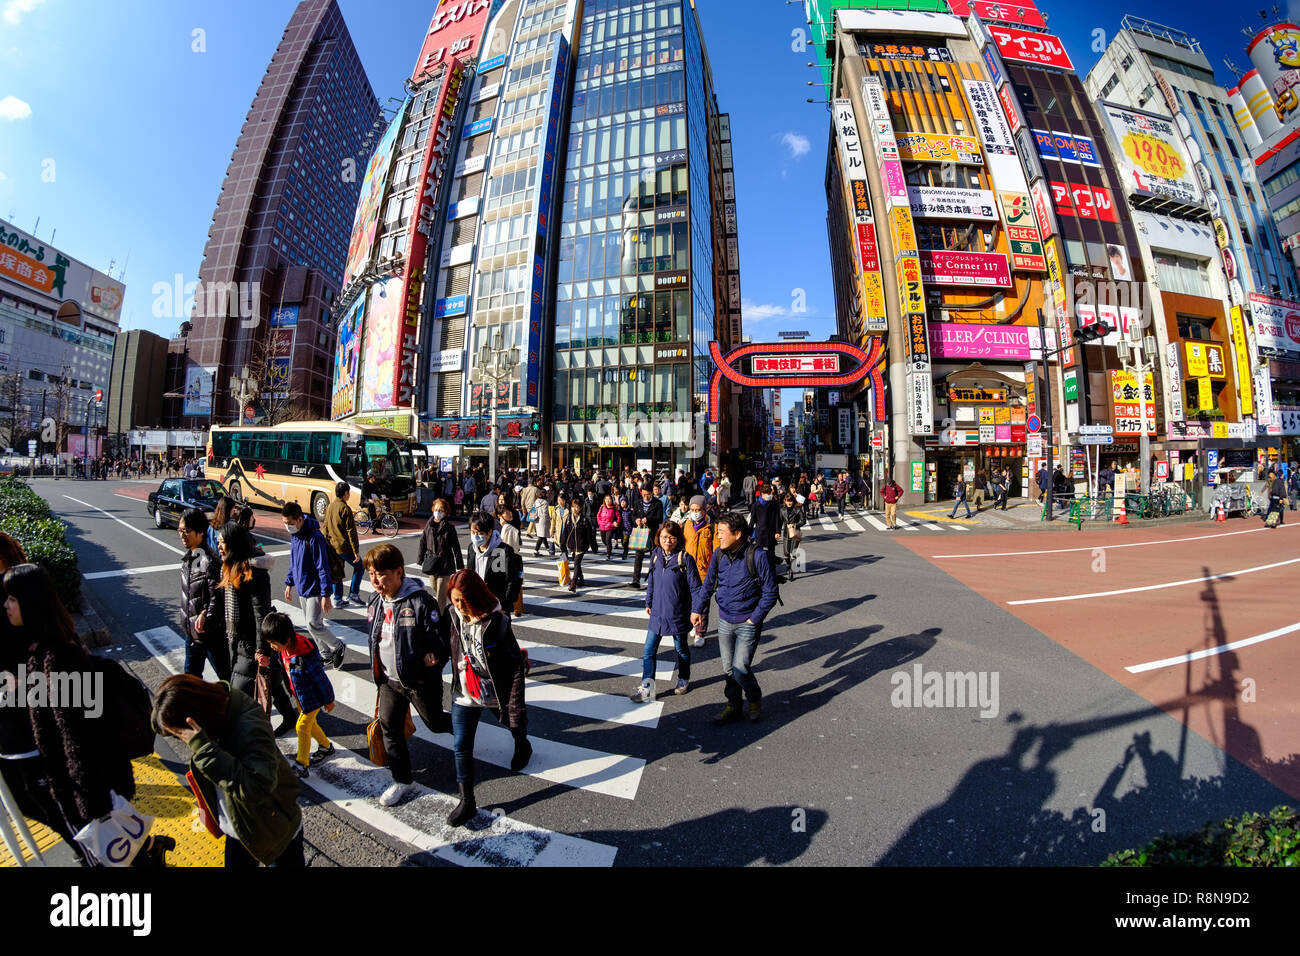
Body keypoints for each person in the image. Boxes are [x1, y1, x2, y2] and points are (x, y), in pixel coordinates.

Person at [152, 674, 304, 866]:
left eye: (181, 734)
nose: (183, 739)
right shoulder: (214, 708)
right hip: (238, 824)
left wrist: (204, 749)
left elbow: (257, 787)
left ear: (196, 717)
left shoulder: (249, 725)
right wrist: (161, 712)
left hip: (274, 828)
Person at [362, 543, 450, 807]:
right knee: (390, 727)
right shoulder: (375, 601)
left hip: (419, 681)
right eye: (371, 574)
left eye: (381, 574)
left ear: (399, 572)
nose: (375, 580)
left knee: (435, 722)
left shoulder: (421, 602)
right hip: (389, 681)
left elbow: (441, 641)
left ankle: (463, 726)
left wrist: (432, 655)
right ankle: (402, 779)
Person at [442, 568, 531, 827]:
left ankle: (522, 742)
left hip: (493, 689)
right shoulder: (453, 615)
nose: (459, 606)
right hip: (465, 691)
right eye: (455, 600)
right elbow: (444, 643)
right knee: (461, 745)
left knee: (510, 722)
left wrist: (515, 706)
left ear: (477, 597)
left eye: (463, 600)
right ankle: (467, 801)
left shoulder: (498, 622)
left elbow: (515, 665)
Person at [690, 513, 780, 724]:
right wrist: (697, 609)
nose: (718, 537)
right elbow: (708, 585)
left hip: (747, 621)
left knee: (740, 669)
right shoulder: (719, 555)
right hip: (724, 620)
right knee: (729, 669)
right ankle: (734, 706)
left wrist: (754, 619)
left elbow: (770, 592)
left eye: (721, 533)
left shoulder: (757, 555)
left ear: (737, 534)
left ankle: (755, 698)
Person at [631, 521, 702, 702]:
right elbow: (652, 581)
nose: (667, 541)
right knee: (648, 651)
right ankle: (647, 689)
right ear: (658, 538)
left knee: (681, 649)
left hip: (677, 613)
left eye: (671, 537)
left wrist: (696, 611)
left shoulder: (685, 559)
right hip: (657, 613)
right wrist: (649, 601)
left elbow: (696, 589)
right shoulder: (655, 555)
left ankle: (683, 678)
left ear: (678, 539)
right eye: (664, 537)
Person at [260, 612, 335, 778]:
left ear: (286, 639)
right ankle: (326, 747)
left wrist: (329, 700)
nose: (272, 646)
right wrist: (268, 661)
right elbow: (279, 661)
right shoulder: (286, 649)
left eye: (273, 643)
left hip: (312, 699)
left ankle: (302, 764)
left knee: (301, 727)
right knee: (310, 725)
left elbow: (321, 680)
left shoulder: (304, 657)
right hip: (301, 697)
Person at [281, 502, 345, 669]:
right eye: (285, 523)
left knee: (312, 624)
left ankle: (338, 646)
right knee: (311, 625)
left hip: (315, 588)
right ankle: (325, 655)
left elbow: (322, 567)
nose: (288, 527)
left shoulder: (314, 537)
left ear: (300, 519)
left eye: (290, 523)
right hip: (303, 586)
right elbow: (293, 561)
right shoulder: (296, 535)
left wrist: (325, 595)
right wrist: (289, 583)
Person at [213, 523, 274, 697]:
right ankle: (289, 715)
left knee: (242, 692)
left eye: (222, 542)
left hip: (250, 643)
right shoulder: (229, 567)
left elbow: (261, 612)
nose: (219, 546)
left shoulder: (252, 571)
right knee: (270, 684)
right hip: (240, 640)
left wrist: (262, 649)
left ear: (234, 544)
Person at [179, 508, 230, 681]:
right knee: (191, 678)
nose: (182, 535)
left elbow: (217, 597)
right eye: (180, 531)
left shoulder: (210, 561)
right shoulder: (192, 556)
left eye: (186, 531)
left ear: (200, 533)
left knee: (226, 676)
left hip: (210, 634)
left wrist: (205, 616)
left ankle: (238, 706)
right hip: (192, 632)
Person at [465, 511, 524, 610]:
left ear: (490, 532)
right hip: (477, 603)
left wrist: (504, 606)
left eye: (480, 533)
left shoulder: (502, 551)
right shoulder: (472, 548)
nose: (475, 536)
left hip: (497, 605)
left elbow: (512, 581)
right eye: (472, 532)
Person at [418, 497, 463, 611]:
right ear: (433, 509)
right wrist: (420, 558)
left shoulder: (449, 528)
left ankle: (440, 617)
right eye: (436, 509)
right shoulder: (428, 525)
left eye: (441, 510)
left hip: (445, 564)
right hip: (432, 563)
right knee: (435, 586)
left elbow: (456, 548)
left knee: (440, 594)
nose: (438, 512)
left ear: (446, 512)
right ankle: (450, 599)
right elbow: (423, 542)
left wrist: (460, 565)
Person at [322, 482, 364, 608]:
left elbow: (325, 527)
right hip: (343, 546)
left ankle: (338, 599)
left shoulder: (330, 506)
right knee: (360, 567)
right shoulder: (345, 508)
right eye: (348, 492)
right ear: (346, 493)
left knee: (337, 571)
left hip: (331, 545)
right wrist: (355, 550)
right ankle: (353, 593)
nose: (349, 494)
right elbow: (351, 531)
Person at [682, 496, 714, 647]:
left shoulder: (711, 527)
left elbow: (716, 551)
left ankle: (701, 632)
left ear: (704, 509)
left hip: (704, 571)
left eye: (698, 510)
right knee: (689, 600)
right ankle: (695, 624)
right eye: (692, 510)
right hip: (688, 570)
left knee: (703, 603)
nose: (695, 513)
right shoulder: (685, 525)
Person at [557, 498, 596, 593]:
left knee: (576, 563)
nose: (575, 509)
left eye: (577, 507)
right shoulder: (568, 519)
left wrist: (594, 546)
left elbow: (589, 535)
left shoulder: (584, 520)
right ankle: (581, 580)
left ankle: (573, 583)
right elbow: (564, 533)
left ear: (580, 508)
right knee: (576, 563)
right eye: (573, 507)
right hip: (572, 545)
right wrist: (562, 544)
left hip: (582, 545)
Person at [630, 486, 664, 589]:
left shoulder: (657, 503)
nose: (646, 496)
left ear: (652, 493)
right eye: (644, 494)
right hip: (640, 533)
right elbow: (633, 515)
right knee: (638, 557)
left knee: (654, 557)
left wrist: (647, 519)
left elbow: (659, 518)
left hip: (652, 533)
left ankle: (653, 580)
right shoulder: (638, 502)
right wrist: (636, 520)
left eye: (648, 494)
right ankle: (636, 580)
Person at [779, 492, 806, 581]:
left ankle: (791, 570)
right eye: (787, 501)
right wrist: (777, 532)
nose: (789, 503)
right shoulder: (782, 510)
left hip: (795, 532)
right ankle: (788, 564)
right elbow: (779, 522)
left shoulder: (798, 509)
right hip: (786, 533)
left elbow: (803, 520)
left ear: (793, 501)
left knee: (793, 552)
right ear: (785, 501)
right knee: (786, 553)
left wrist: (795, 525)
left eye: (790, 501)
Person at [750, 484, 779, 561]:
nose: (770, 495)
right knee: (760, 553)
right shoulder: (755, 505)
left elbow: (776, 518)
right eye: (768, 494)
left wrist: (777, 531)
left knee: (771, 553)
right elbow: (752, 520)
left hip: (771, 532)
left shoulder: (773, 504)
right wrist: (748, 532)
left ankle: (772, 569)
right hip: (760, 532)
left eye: (770, 493)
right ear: (762, 494)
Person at [531, 492, 555, 557]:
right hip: (543, 520)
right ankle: (535, 550)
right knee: (541, 536)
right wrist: (549, 519)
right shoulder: (545, 502)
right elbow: (545, 513)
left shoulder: (536, 502)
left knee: (542, 535)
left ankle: (548, 549)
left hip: (537, 520)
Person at [597, 493, 620, 560]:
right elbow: (598, 516)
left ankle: (608, 554)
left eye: (609, 499)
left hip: (610, 526)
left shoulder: (614, 508)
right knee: (603, 540)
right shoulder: (601, 507)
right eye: (606, 499)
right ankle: (609, 547)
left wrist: (616, 523)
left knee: (608, 539)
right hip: (602, 526)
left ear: (611, 500)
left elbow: (618, 517)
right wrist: (600, 523)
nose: (607, 500)